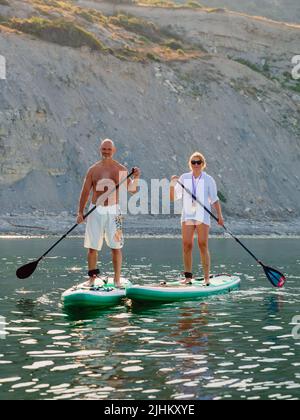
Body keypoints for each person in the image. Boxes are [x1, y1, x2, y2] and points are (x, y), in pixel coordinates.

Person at [77, 139, 140, 288]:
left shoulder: (120, 169)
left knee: (116, 247)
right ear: (100, 149)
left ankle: (117, 280)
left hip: (114, 211)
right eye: (104, 149)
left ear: (114, 150)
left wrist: (136, 177)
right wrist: (80, 212)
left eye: (109, 149)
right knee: (92, 247)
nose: (106, 152)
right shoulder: (93, 170)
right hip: (95, 210)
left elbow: (132, 189)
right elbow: (85, 191)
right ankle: (92, 278)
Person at [170, 152, 224, 286]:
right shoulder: (184, 177)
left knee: (202, 244)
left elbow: (215, 199)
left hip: (202, 215)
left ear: (203, 164)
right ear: (190, 164)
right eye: (193, 162)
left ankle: (206, 278)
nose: (196, 164)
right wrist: (172, 184)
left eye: (198, 162)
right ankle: (188, 277)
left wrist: (220, 216)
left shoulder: (208, 179)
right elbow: (173, 197)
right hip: (187, 215)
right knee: (187, 244)